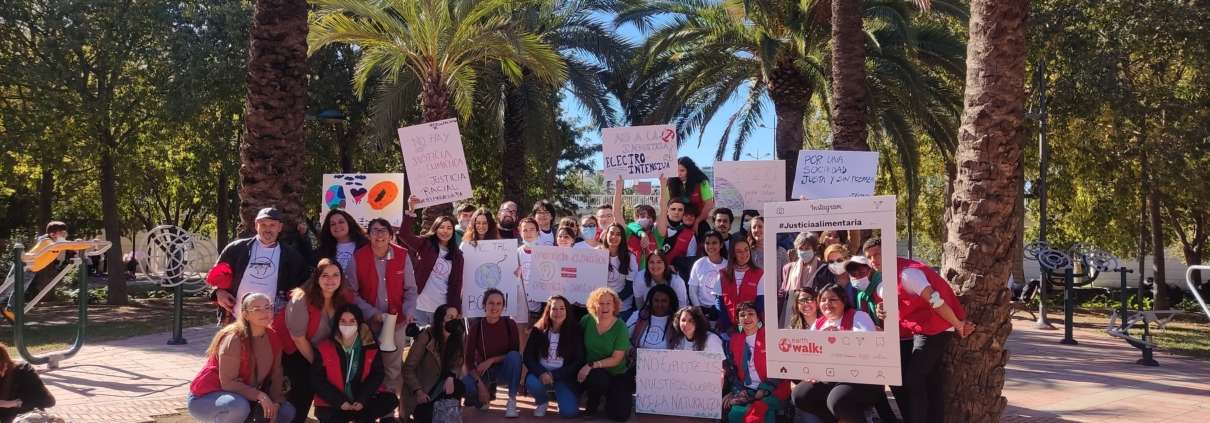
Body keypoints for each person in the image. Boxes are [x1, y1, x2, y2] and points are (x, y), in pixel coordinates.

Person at [874, 251, 974, 423]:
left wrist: (958, 324)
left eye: (877, 254)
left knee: (912, 379)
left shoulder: (908, 274)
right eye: (869, 256)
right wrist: (881, 311)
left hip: (936, 329)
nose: (873, 260)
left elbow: (936, 300)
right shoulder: (886, 280)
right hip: (921, 330)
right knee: (931, 379)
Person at [345, 218, 418, 420]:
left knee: (392, 368)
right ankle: (366, 411)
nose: (379, 235)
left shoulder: (402, 255)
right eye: (375, 231)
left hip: (395, 323)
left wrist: (409, 309)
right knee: (367, 367)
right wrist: (372, 313)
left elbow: (411, 290)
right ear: (368, 235)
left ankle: (388, 413)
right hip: (369, 325)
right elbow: (351, 293)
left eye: (383, 230)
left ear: (390, 233)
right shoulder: (358, 257)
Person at [188, 293, 296, 423]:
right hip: (207, 397)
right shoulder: (234, 339)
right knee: (238, 407)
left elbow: (276, 374)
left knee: (285, 411)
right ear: (245, 314)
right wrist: (260, 396)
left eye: (267, 307)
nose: (265, 312)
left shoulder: (273, 337)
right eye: (257, 309)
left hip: (243, 395)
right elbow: (228, 383)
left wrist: (276, 402)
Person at [792, 284, 883, 423]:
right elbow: (810, 354)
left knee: (836, 400)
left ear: (843, 301)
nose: (827, 304)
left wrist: (840, 337)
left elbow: (867, 347)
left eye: (832, 299)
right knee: (800, 395)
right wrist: (811, 371)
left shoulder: (859, 316)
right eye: (823, 300)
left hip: (861, 377)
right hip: (830, 375)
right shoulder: (818, 324)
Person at [276, 258, 353, 423]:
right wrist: (320, 365)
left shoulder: (341, 299)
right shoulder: (301, 299)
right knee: (303, 393)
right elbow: (298, 338)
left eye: (335, 275)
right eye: (325, 275)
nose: (330, 280)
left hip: (322, 354)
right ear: (316, 277)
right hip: (295, 353)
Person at [206, 207, 309, 323]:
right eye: (263, 225)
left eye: (272, 225)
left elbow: (303, 286)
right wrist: (218, 292)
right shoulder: (236, 249)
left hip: (272, 322)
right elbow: (214, 277)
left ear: (280, 227)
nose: (267, 229)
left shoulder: (291, 256)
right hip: (235, 319)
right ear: (256, 226)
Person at [310, 304, 398, 422]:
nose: (347, 325)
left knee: (390, 400)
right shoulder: (324, 347)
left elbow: (378, 373)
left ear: (359, 323)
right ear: (337, 323)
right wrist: (340, 402)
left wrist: (362, 400)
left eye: (352, 321)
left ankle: (361, 418)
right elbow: (316, 379)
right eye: (343, 321)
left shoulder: (369, 344)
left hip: (359, 402)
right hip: (333, 404)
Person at [400, 198, 464, 323]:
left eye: (449, 228)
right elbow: (404, 235)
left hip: (442, 310)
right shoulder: (425, 244)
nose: (445, 231)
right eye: (441, 227)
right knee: (420, 342)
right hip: (419, 307)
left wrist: (456, 308)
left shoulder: (457, 256)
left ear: (453, 231)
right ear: (435, 229)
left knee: (440, 342)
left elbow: (456, 285)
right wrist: (411, 210)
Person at [724, 301, 789, 423]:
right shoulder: (734, 340)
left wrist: (764, 389)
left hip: (773, 389)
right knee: (735, 414)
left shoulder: (771, 337)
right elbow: (732, 370)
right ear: (738, 320)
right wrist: (736, 391)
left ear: (758, 317)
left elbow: (781, 366)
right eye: (742, 315)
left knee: (756, 415)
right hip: (747, 389)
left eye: (751, 314)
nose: (747, 317)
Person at [462, 289, 523, 417]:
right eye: (491, 303)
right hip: (484, 373)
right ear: (484, 305)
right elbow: (468, 360)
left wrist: (492, 360)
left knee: (515, 357)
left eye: (498, 303)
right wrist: (480, 385)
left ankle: (511, 401)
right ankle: (486, 394)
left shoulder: (510, 324)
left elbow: (514, 355)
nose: (494, 307)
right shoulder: (476, 327)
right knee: (467, 384)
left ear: (503, 307)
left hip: (503, 370)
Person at [403, 304, 466, 423]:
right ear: (441, 320)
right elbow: (408, 369)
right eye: (450, 317)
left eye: (456, 317)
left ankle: (451, 414)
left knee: (459, 386)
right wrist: (418, 391)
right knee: (426, 416)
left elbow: (458, 363)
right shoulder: (425, 337)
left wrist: (451, 376)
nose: (455, 321)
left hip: (443, 386)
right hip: (424, 391)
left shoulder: (457, 337)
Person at [522, 296, 584, 418]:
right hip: (542, 373)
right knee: (531, 382)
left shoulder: (575, 331)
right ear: (548, 311)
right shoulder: (538, 330)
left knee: (569, 413)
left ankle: (562, 399)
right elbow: (528, 356)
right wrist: (541, 373)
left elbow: (579, 360)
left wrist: (554, 375)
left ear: (567, 311)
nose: (558, 312)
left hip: (563, 376)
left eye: (562, 308)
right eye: (554, 309)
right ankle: (542, 401)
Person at [578, 288, 632, 421]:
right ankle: (592, 404)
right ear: (594, 305)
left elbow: (616, 359)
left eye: (609, 303)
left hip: (615, 373)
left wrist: (591, 365)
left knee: (620, 415)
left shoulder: (621, 327)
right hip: (594, 375)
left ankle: (608, 397)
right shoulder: (586, 320)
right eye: (601, 303)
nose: (605, 307)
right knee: (597, 378)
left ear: (615, 305)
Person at [4, 221, 70, 321]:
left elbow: (70, 245)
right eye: (62, 232)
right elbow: (68, 245)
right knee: (6, 290)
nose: (64, 235)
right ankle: (10, 310)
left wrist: (86, 245)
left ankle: (10, 310)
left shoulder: (56, 243)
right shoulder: (47, 242)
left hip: (31, 271)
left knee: (19, 291)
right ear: (53, 234)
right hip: (24, 266)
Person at [717, 238, 764, 335]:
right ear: (733, 254)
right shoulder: (723, 273)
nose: (744, 254)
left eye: (746, 249)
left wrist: (746, 325)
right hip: (728, 327)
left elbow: (760, 303)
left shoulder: (759, 273)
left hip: (751, 327)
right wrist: (728, 326)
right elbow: (719, 302)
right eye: (739, 251)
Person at [0, 343, 54, 423]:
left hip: (23, 418)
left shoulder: (24, 371)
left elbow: (48, 401)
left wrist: (13, 403)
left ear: (5, 364)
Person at [780, 233, 822, 327]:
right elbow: (784, 291)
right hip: (791, 313)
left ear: (814, 249)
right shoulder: (788, 268)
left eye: (807, 248)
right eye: (801, 248)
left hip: (814, 314)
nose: (803, 251)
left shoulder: (823, 268)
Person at [600, 223, 638, 318]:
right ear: (606, 235)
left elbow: (630, 287)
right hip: (600, 308)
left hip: (622, 309)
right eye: (611, 233)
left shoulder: (630, 257)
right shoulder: (597, 254)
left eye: (618, 234)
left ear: (622, 238)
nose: (614, 237)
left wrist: (611, 301)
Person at [688, 231, 728, 319]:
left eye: (714, 243)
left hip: (720, 309)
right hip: (700, 309)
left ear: (721, 245)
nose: (710, 246)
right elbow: (692, 290)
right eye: (707, 243)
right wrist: (699, 312)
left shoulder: (727, 266)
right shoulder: (698, 264)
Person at [625, 284, 678, 350]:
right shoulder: (639, 315)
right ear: (651, 301)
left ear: (670, 302)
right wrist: (630, 350)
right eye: (656, 300)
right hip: (637, 359)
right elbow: (623, 337)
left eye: (664, 301)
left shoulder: (677, 320)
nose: (659, 304)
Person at [668, 157, 715, 226]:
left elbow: (709, 204)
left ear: (690, 170)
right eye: (676, 171)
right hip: (678, 222)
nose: (678, 174)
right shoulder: (671, 182)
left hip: (698, 221)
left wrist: (697, 221)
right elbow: (667, 204)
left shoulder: (702, 182)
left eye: (682, 171)